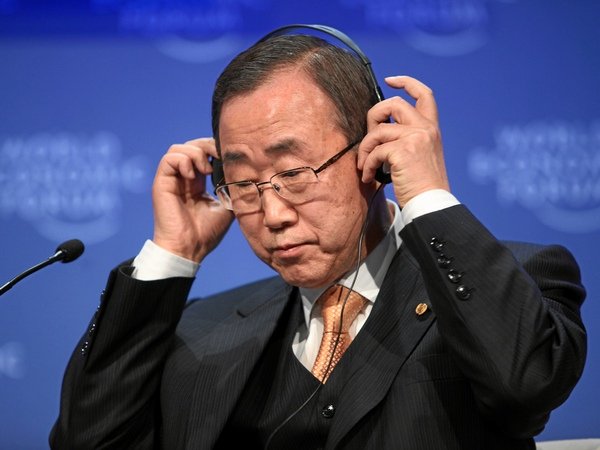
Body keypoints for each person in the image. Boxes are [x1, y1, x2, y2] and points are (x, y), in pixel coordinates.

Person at [50, 30, 587, 450]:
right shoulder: (200, 333)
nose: (273, 214)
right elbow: (88, 441)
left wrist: (426, 196)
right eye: (244, 184)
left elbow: (526, 387)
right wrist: (173, 254)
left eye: (294, 173)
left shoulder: (514, 282)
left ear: (374, 154)